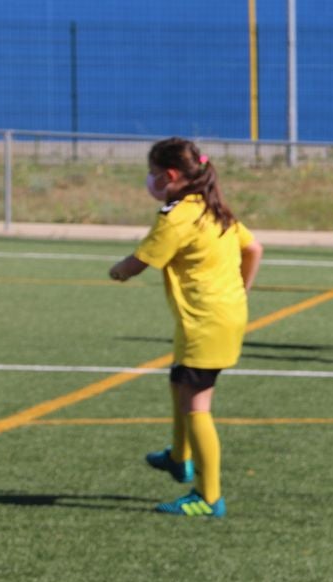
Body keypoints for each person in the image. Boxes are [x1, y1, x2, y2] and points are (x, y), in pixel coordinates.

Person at [109, 137, 263, 518]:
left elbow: (140, 261)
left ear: (171, 176)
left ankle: (209, 498)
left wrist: (118, 271)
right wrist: (241, 289)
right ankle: (179, 458)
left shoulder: (176, 216)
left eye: (152, 174)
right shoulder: (212, 207)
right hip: (216, 316)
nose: (149, 181)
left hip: (204, 322)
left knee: (197, 405)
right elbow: (253, 248)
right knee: (180, 382)